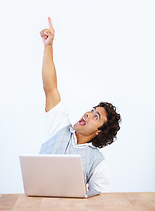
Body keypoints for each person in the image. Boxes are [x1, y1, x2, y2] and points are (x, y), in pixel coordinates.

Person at [39, 17, 121, 197]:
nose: (88, 114)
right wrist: (48, 47)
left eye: (96, 117)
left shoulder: (98, 164)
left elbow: (99, 201)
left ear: (99, 131)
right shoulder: (59, 126)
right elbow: (50, 88)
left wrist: (84, 195)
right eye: (92, 110)